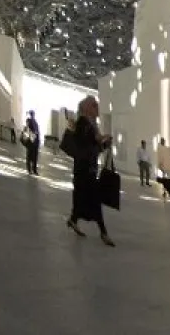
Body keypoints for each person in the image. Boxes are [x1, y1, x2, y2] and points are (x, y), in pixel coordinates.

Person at [66, 96, 115, 246]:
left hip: (88, 169)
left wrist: (103, 143)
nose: (97, 108)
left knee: (82, 198)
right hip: (84, 170)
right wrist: (101, 142)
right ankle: (103, 232)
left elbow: (94, 148)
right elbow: (87, 148)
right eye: (94, 105)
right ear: (87, 108)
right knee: (94, 199)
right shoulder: (83, 123)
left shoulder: (91, 124)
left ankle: (73, 220)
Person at [21, 110, 41, 175]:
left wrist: (37, 141)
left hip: (35, 142)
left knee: (35, 157)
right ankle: (29, 170)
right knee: (29, 156)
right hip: (31, 141)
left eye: (33, 114)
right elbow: (27, 130)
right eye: (32, 114)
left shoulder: (35, 122)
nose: (33, 115)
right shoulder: (28, 121)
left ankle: (34, 170)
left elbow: (37, 132)